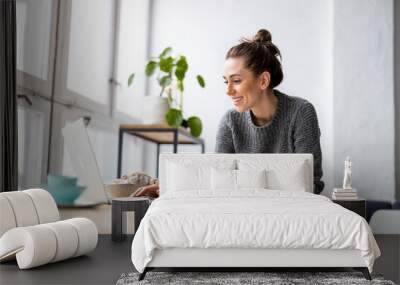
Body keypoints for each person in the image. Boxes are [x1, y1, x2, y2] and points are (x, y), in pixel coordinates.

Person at [134, 28, 324, 197]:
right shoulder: (230, 121)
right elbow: (218, 179)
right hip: (240, 208)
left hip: (290, 209)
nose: (228, 91)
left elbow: (310, 183)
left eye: (237, 81)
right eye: (226, 81)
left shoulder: (301, 112)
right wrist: (168, 186)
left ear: (263, 81)